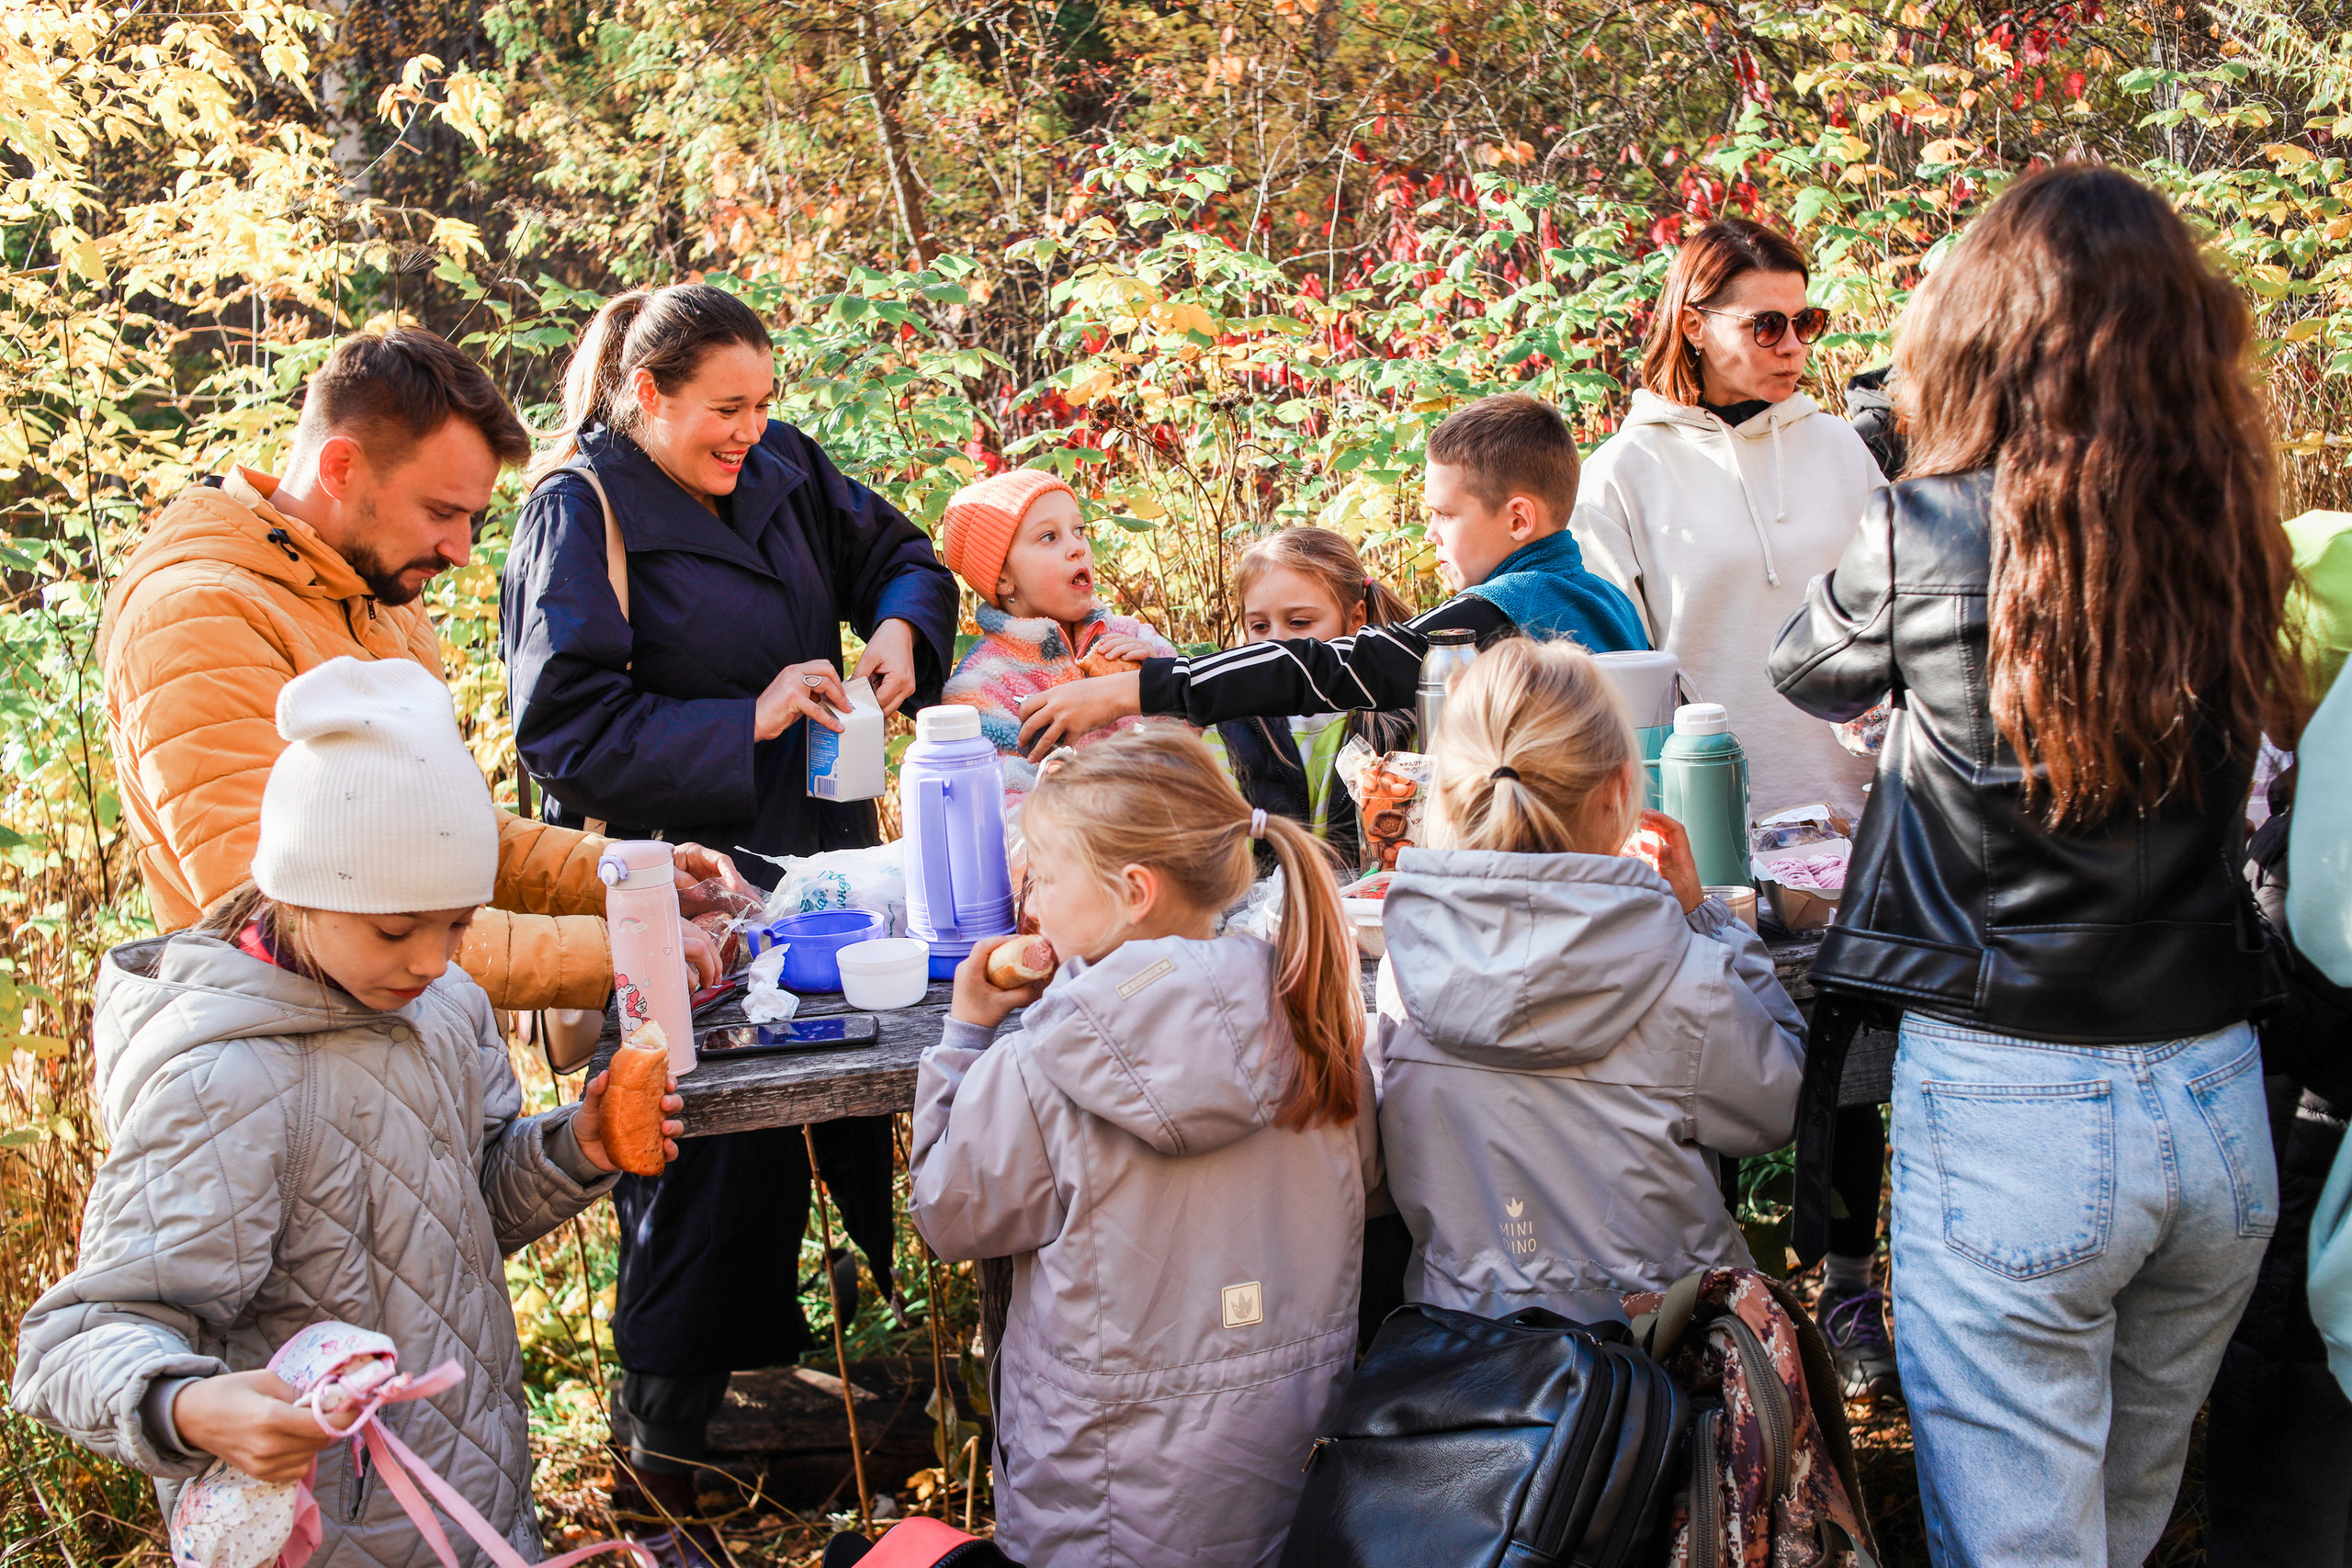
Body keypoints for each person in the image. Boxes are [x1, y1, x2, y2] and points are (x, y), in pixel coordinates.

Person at [1770, 164, 2302, 1566]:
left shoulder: (1930, 520)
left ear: (1977, 338)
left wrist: (1898, 443)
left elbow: (1807, 666)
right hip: (2212, 1093)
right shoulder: (2234, 529)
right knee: (2122, 1529)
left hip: (2012, 1095)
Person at [11, 658, 682, 1568]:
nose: (432, 960)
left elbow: (462, 1208)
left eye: (455, 924)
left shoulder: (445, 1008)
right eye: (394, 929)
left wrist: (578, 1147)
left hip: (470, 1504)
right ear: (297, 893)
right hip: (321, 1533)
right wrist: (187, 1406)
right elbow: (74, 1341)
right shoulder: (225, 1085)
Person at [500, 282, 959, 1560]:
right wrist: (743, 718)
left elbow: (907, 557)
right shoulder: (577, 508)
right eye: (724, 408)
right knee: (698, 1140)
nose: (751, 430)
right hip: (680, 887)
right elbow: (565, 732)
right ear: (647, 394)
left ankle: (771, 1408)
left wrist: (903, 641)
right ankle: (674, 1442)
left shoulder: (785, 463)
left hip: (819, 864)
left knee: (810, 1126)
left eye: (764, 404)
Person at [97, 327, 732, 1012]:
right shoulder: (197, 617)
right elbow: (288, 920)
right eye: (441, 511)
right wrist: (619, 951)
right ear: (340, 466)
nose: (460, 550)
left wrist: (628, 876)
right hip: (279, 1069)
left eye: (471, 518)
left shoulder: (376, 589)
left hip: (403, 1049)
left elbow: (436, 834)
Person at [908, 727, 1377, 1568]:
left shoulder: (1041, 1063)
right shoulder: (1317, 1018)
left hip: (1100, 1517)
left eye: (1045, 875)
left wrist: (967, 1030)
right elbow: (1367, 1186)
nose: (1032, 897)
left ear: (1132, 890)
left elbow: (946, 1212)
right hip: (1286, 1491)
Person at [1371, 637, 1804, 1322]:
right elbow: (1778, 1103)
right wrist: (1708, 920)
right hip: (1661, 1359)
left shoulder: (1404, 968)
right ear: (1620, 789)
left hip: (1472, 1366)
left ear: (1449, 794)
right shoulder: (1682, 974)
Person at [1013, 393, 1647, 756]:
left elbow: (1331, 665)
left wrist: (1136, 689)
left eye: (1445, 515)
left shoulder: (1506, 611)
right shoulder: (1604, 599)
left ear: (1518, 519)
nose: (1431, 533)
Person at [1570, 217, 1886, 819]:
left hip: (1861, 816)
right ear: (1694, 325)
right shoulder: (1622, 472)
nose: (1793, 345)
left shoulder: (1843, 449)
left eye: (1805, 322)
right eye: (1766, 325)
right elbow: (1611, 684)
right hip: (1706, 823)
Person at [935, 467, 1177, 795]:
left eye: (1079, 530)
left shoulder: (1134, 640)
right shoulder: (980, 688)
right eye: (1048, 537)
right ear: (1003, 576)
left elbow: (1199, 745)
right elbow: (1000, 804)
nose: (1077, 547)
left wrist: (1161, 685)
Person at [1203, 527, 1416, 874]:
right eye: (1259, 627)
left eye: (1299, 623)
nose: (1276, 644)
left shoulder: (1399, 719)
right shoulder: (1228, 727)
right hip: (1264, 920)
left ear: (1355, 618)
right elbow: (1218, 855)